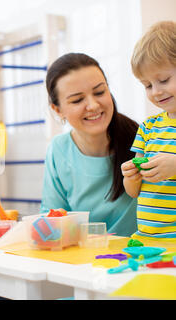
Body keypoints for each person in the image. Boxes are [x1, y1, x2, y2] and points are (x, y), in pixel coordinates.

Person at [40, 53, 139, 237]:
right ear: (58, 109)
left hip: (141, 257)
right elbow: (51, 221)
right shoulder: (59, 150)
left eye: (100, 92)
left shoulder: (141, 139)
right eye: (77, 100)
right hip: (83, 259)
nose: (93, 105)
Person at [121, 21, 176, 241]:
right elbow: (134, 192)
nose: (156, 91)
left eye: (163, 80)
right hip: (147, 238)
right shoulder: (148, 127)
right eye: (147, 85)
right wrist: (131, 178)